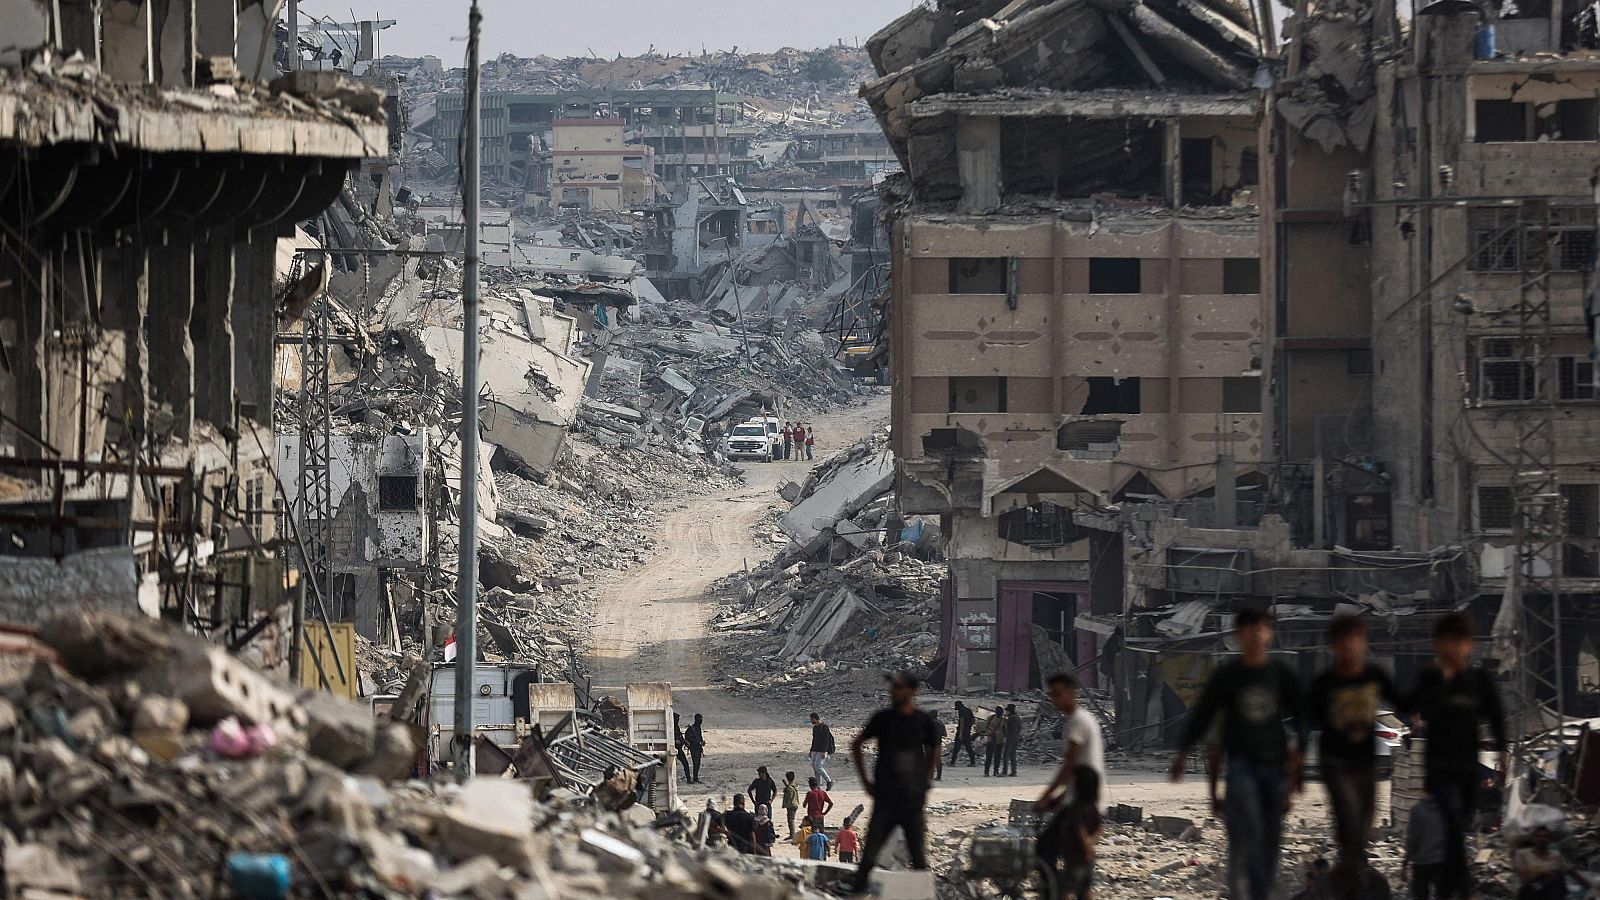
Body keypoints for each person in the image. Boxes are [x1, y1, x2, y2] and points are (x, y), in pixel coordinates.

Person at [1170, 607, 1304, 900]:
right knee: (1250, 829)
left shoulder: (1279, 674)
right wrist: (1182, 752)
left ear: (1269, 634)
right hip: (1242, 765)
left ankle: (1260, 891)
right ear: (1239, 635)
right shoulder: (1228, 675)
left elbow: (1302, 718)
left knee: (1271, 837)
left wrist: (1299, 764)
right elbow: (1203, 714)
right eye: (1251, 629)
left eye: (1263, 628)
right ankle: (1251, 891)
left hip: (1275, 767)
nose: (1257, 635)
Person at [1408, 612, 1507, 900]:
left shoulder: (1478, 681)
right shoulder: (1432, 679)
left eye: (1459, 641)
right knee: (1449, 829)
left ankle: (1455, 887)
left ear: (1469, 645)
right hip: (1439, 768)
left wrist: (1503, 751)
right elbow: (1412, 706)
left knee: (1456, 834)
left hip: (1465, 770)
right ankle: (1459, 888)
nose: (1452, 648)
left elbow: (1496, 717)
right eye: (1446, 642)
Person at [1309, 614, 1402, 900]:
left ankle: (1354, 874)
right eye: (1344, 641)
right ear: (1334, 646)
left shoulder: (1374, 676)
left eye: (1356, 639)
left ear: (1364, 643)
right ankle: (1349, 878)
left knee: (1362, 827)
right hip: (1336, 764)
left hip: (1365, 764)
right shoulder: (1326, 682)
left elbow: (1403, 701)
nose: (1350, 646)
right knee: (1347, 822)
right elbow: (1308, 717)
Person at [847, 671, 941, 893]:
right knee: (869, 857)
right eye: (892, 687)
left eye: (898, 687)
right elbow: (856, 744)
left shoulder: (923, 721)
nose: (892, 691)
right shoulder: (883, 719)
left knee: (919, 859)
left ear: (912, 691)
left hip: (912, 802)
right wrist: (865, 782)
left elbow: (935, 746)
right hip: (886, 800)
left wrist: (926, 779)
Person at [1035, 672, 1105, 815]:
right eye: (1052, 694)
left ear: (1072, 693)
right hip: (1082, 799)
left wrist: (1045, 796)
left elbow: (1070, 763)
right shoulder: (1084, 717)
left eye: (1058, 694)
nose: (1054, 699)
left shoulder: (1077, 721)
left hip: (1082, 804)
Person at [1053, 766, 1103, 900]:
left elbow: (1080, 830)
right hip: (1087, 856)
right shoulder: (1093, 807)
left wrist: (1086, 846)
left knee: (1066, 890)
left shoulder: (1077, 808)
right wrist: (1090, 845)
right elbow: (1099, 829)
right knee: (1084, 889)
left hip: (1076, 856)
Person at [1514, 826, 1590, 900]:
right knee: (1552, 877)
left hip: (1551, 892)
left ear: (1549, 840)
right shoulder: (1522, 854)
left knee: (1557, 876)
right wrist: (1543, 873)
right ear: (1533, 838)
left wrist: (1591, 887)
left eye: (1545, 837)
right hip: (1531, 891)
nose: (1542, 839)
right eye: (1539, 836)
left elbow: (1572, 872)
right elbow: (1523, 877)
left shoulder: (1556, 856)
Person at [1403, 793, 1448, 900]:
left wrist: (1405, 862)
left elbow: (1412, 839)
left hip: (1422, 863)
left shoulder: (1417, 810)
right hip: (1442, 862)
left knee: (1421, 895)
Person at [809, 712, 836, 789]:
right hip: (815, 749)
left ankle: (829, 781)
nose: (811, 721)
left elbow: (826, 740)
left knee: (818, 766)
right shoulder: (815, 728)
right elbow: (814, 739)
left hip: (822, 750)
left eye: (811, 719)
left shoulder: (824, 727)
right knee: (814, 766)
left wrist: (824, 751)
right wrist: (811, 750)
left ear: (814, 719)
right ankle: (818, 784)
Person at [949, 701, 977, 766]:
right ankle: (973, 762)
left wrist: (961, 733)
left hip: (961, 732)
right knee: (968, 747)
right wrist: (969, 726)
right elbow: (973, 720)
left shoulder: (961, 711)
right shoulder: (968, 710)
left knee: (956, 748)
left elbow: (962, 721)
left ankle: (952, 762)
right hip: (967, 732)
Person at [984, 706, 1007, 777]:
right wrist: (989, 733)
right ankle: (986, 771)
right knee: (989, 756)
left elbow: (1005, 730)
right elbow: (986, 727)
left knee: (997, 757)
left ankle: (995, 771)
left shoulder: (1003, 720)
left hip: (999, 740)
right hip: (991, 739)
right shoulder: (991, 718)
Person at [684, 713, 706, 783]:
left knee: (697, 763)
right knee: (696, 763)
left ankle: (695, 777)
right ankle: (695, 778)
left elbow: (699, 737)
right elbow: (688, 738)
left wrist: (701, 743)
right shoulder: (692, 728)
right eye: (699, 719)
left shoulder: (697, 728)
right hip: (694, 748)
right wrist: (697, 743)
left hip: (698, 748)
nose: (700, 721)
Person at [1003, 702, 1024, 776]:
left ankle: (1004, 771)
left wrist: (1004, 719)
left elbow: (1006, 726)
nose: (1006, 712)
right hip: (1016, 737)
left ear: (1009, 711)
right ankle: (1013, 771)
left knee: (1006, 755)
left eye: (1007, 711)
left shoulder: (1011, 717)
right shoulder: (1018, 717)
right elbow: (1020, 727)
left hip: (1010, 738)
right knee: (1013, 755)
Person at [781, 771, 801, 838]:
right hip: (795, 803)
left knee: (790, 820)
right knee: (791, 819)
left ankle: (792, 834)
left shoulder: (790, 787)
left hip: (791, 805)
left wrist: (785, 785)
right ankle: (792, 833)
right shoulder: (795, 785)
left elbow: (787, 792)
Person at [673, 713, 691, 781]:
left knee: (685, 763)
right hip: (672, 748)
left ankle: (688, 779)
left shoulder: (676, 726)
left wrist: (685, 741)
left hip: (679, 748)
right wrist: (674, 741)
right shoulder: (670, 727)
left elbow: (679, 736)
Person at [930, 710, 946, 781]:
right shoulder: (940, 724)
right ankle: (939, 776)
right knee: (938, 760)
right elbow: (945, 734)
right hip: (938, 743)